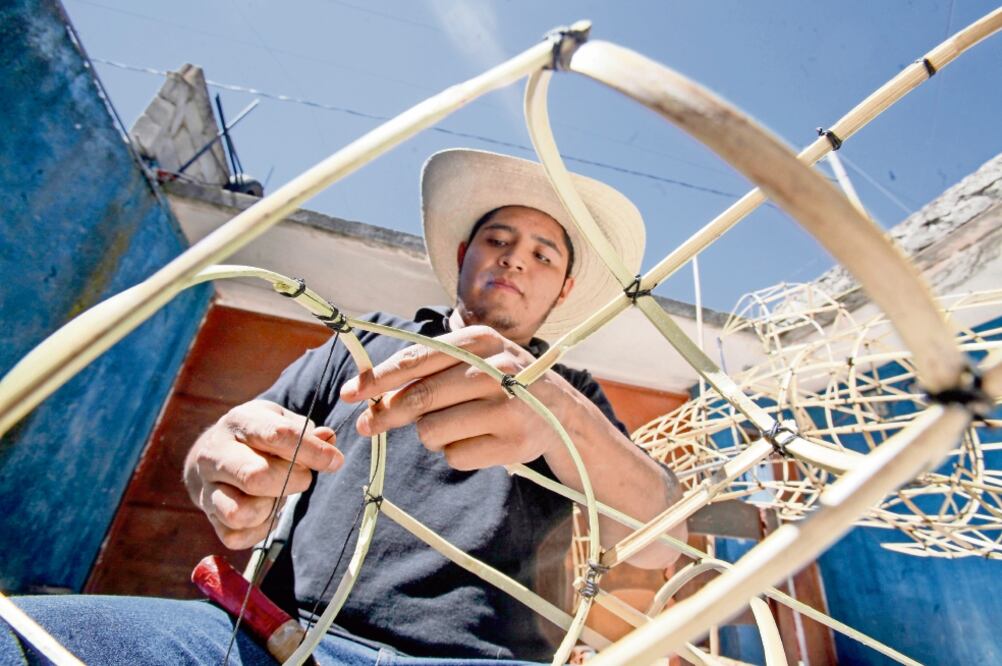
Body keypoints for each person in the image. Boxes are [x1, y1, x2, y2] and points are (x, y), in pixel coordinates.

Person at [2, 149, 684, 665]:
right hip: (275, 639)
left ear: (562, 291)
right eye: (498, 241)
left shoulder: (573, 392)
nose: (514, 261)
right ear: (461, 254)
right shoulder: (360, 343)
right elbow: (217, 452)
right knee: (18, 638)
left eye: (541, 253)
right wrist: (220, 463)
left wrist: (560, 413)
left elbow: (661, 539)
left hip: (479, 662)